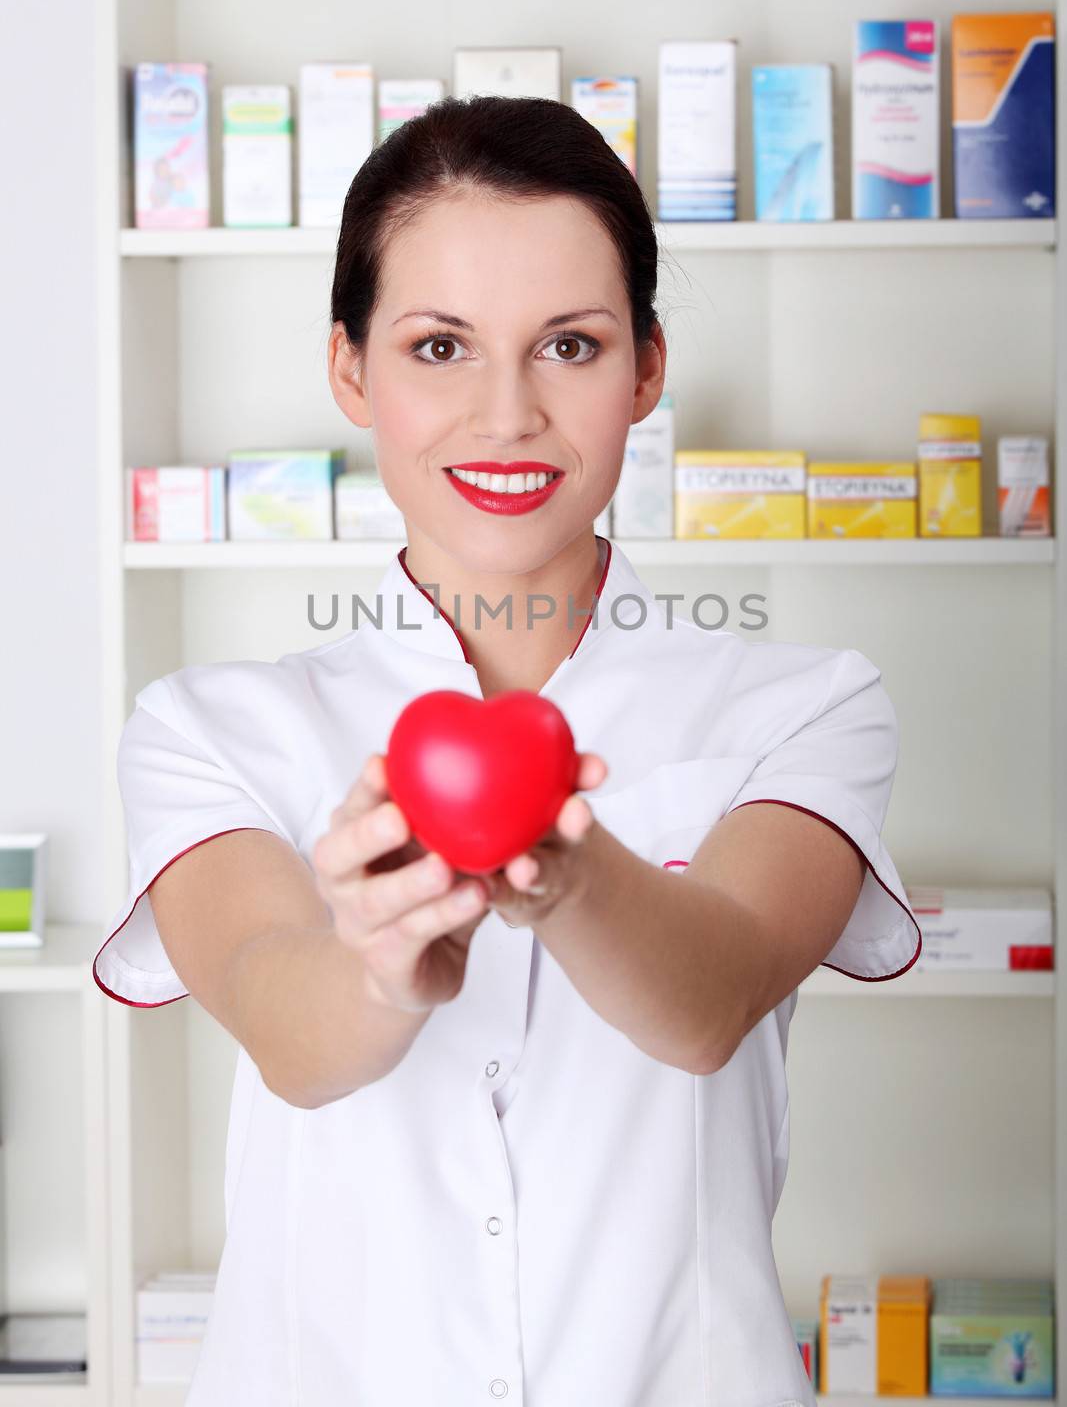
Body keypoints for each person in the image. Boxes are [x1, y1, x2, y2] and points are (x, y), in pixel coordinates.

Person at [93, 94, 922, 1407]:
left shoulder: (803, 707)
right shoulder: (213, 730)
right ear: (351, 369)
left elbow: (711, 1007)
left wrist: (569, 880)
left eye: (570, 347)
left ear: (646, 369)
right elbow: (284, 1025)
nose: (507, 415)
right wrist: (378, 970)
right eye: (438, 347)